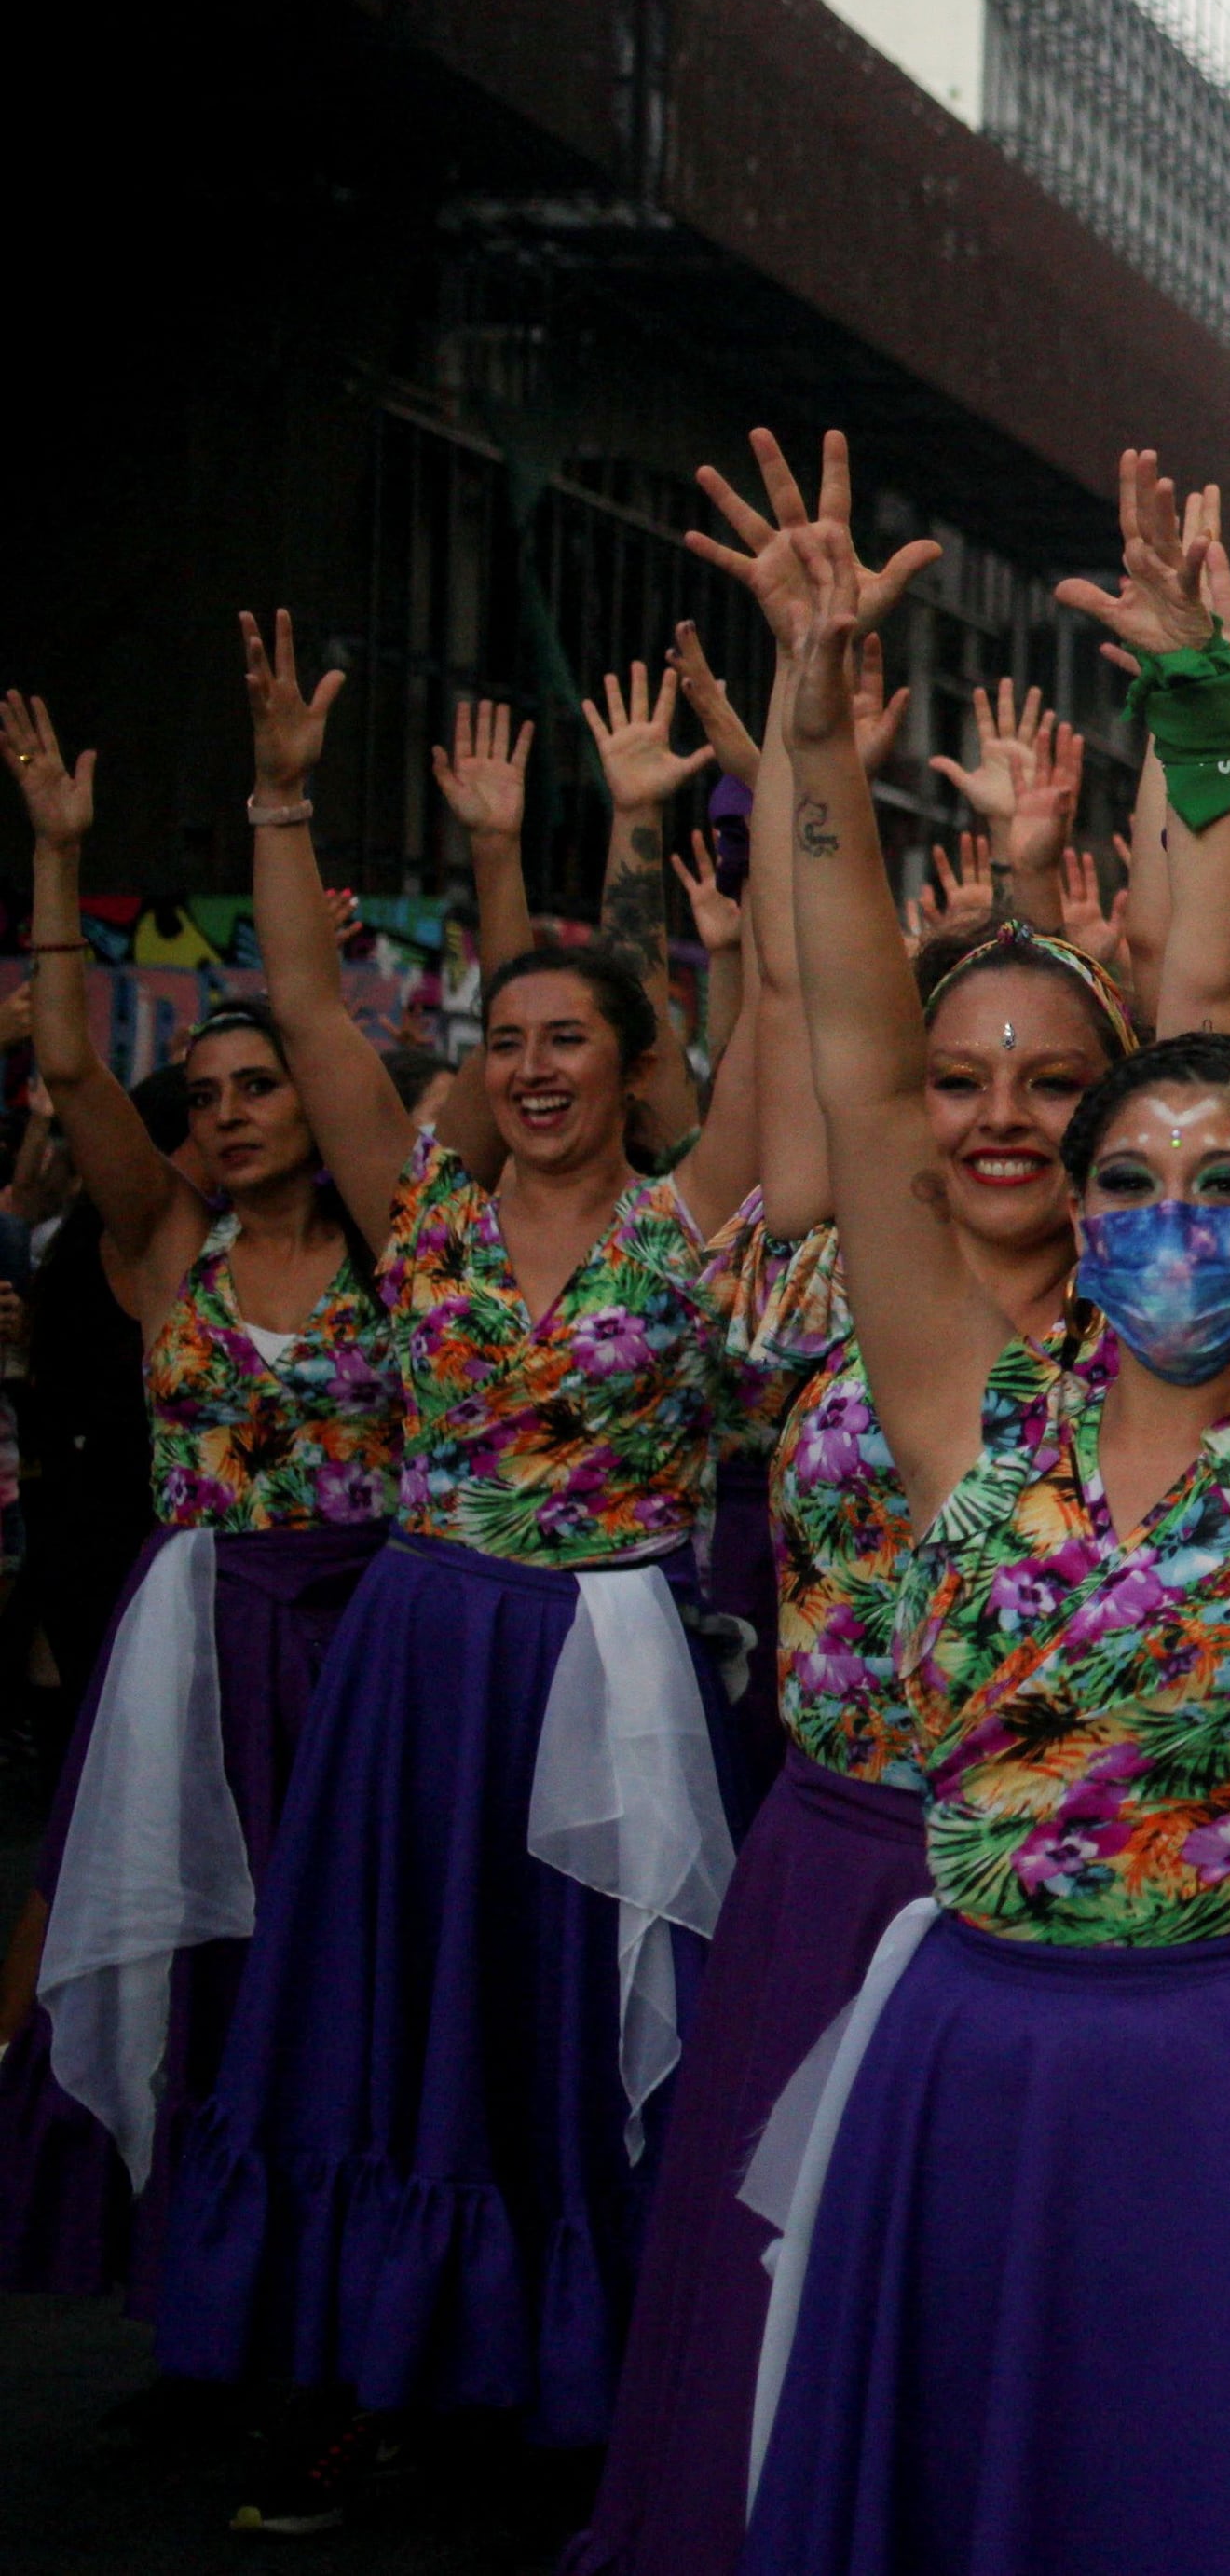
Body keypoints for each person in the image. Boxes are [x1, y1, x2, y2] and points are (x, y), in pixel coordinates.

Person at [734, 472, 1230, 2576]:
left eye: (1220, 1187)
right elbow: (849, 1061)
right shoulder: (957, 1417)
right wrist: (814, 726)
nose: (1162, 1222)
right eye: (1124, 1183)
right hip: (974, 2062)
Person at [567, 439, 1230, 2576]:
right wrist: (808, 711)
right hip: (837, 1860)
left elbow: (1222, 1010)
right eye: (962, 1079)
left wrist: (1202, 718)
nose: (991, 1114)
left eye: (1050, 1083)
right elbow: (827, 1008)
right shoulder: (840, 1272)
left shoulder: (1170, 1326)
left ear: (1116, 1117)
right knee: (782, 2372)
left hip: (1085, 1913)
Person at [156, 611, 768, 2510]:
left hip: (609, 1671)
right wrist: (278, 792)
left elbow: (809, 1040)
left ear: (636, 1057)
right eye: (502, 1040)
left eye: (566, 1035)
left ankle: (581, 2390)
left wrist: (793, 755)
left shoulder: (687, 1224)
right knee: (393, 2028)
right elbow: (313, 1001)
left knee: (567, 2034)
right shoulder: (412, 1208)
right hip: (420, 1664)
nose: (527, 1065)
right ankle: (382, 2372)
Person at [0, 692, 398, 2309]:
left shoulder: (401, 1244)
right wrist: (56, 855)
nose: (230, 1108)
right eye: (212, 1090)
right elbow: (74, 1055)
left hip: (364, 1643)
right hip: (195, 1645)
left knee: (342, 1972)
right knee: (195, 1964)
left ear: (313, 1090)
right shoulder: (172, 1243)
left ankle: (332, 2279)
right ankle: (196, 2274)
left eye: (259, 1081)